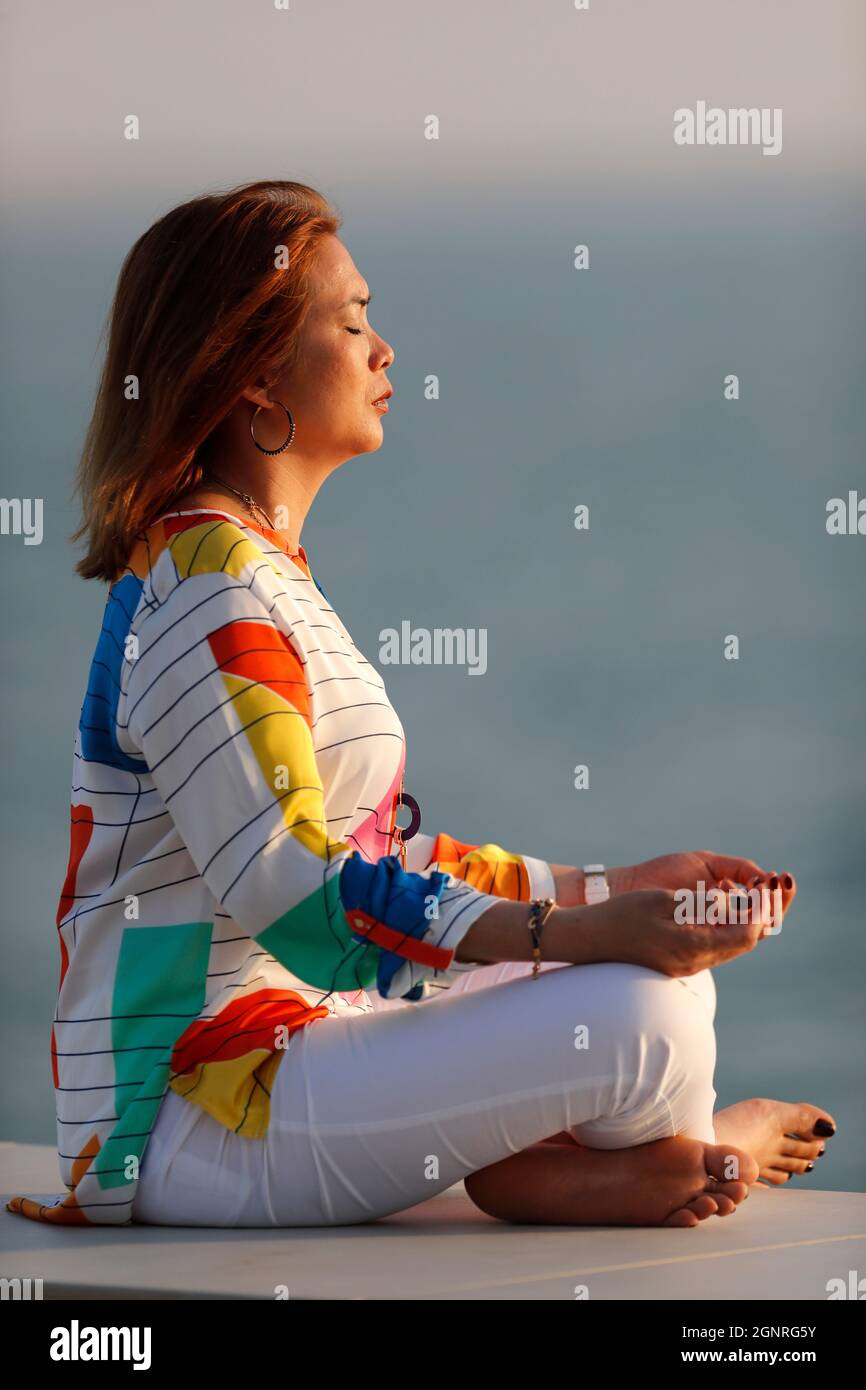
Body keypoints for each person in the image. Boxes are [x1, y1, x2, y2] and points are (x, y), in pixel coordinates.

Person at [7, 180, 835, 1234]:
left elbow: (373, 855)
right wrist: (576, 932)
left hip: (310, 1040)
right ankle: (649, 1156)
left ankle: (585, 1166)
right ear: (254, 374)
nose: (384, 349)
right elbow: (296, 893)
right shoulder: (206, 588)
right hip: (193, 1113)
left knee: (670, 975)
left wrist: (618, 888)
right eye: (352, 321)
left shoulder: (258, 573)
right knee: (639, 1009)